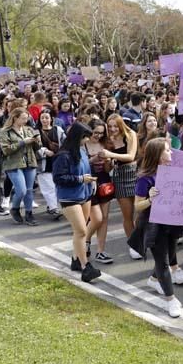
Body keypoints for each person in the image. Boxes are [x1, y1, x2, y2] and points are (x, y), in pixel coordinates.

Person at [133, 138, 183, 318]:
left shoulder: (172, 171)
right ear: (158, 155)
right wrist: (150, 199)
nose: (171, 152)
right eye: (168, 150)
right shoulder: (144, 178)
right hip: (154, 225)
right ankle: (171, 300)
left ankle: (154, 279)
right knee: (163, 263)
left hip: (172, 222)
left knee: (170, 256)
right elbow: (137, 206)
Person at [53, 121, 101, 284]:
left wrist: (91, 180)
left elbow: (86, 169)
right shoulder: (63, 155)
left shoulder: (81, 150)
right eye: (85, 137)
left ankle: (75, 259)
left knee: (79, 231)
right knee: (81, 231)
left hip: (84, 194)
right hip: (69, 197)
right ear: (77, 137)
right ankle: (85, 266)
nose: (87, 140)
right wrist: (81, 179)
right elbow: (58, 178)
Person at [103, 114, 139, 258]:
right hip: (119, 176)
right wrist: (107, 161)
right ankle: (133, 245)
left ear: (121, 124)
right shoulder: (108, 140)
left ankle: (141, 239)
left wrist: (111, 154)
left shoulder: (131, 134)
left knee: (141, 213)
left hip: (134, 174)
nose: (112, 129)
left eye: (115, 126)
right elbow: (107, 169)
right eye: (110, 126)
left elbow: (131, 156)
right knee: (127, 214)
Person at [0, 107, 42, 226]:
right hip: (13, 164)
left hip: (30, 161)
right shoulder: (5, 132)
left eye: (26, 118)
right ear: (15, 118)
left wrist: (37, 141)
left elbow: (37, 148)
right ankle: (15, 208)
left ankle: (29, 213)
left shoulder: (28, 129)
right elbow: (6, 150)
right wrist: (23, 142)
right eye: (23, 118)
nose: (25, 121)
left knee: (29, 190)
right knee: (21, 190)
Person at [84, 119, 115, 264]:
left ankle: (101, 251)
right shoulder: (83, 144)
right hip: (88, 182)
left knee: (104, 218)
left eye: (101, 133)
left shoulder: (105, 144)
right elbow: (81, 164)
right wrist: (94, 159)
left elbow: (108, 170)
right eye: (95, 132)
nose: (97, 135)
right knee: (95, 218)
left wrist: (108, 162)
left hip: (104, 181)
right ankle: (86, 240)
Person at [36, 109, 65, 219]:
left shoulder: (58, 130)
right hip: (43, 163)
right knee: (48, 187)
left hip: (57, 161)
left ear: (51, 119)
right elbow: (35, 147)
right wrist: (44, 151)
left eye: (47, 117)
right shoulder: (36, 132)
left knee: (57, 186)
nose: (44, 120)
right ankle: (53, 208)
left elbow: (64, 143)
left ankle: (51, 205)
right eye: (42, 118)